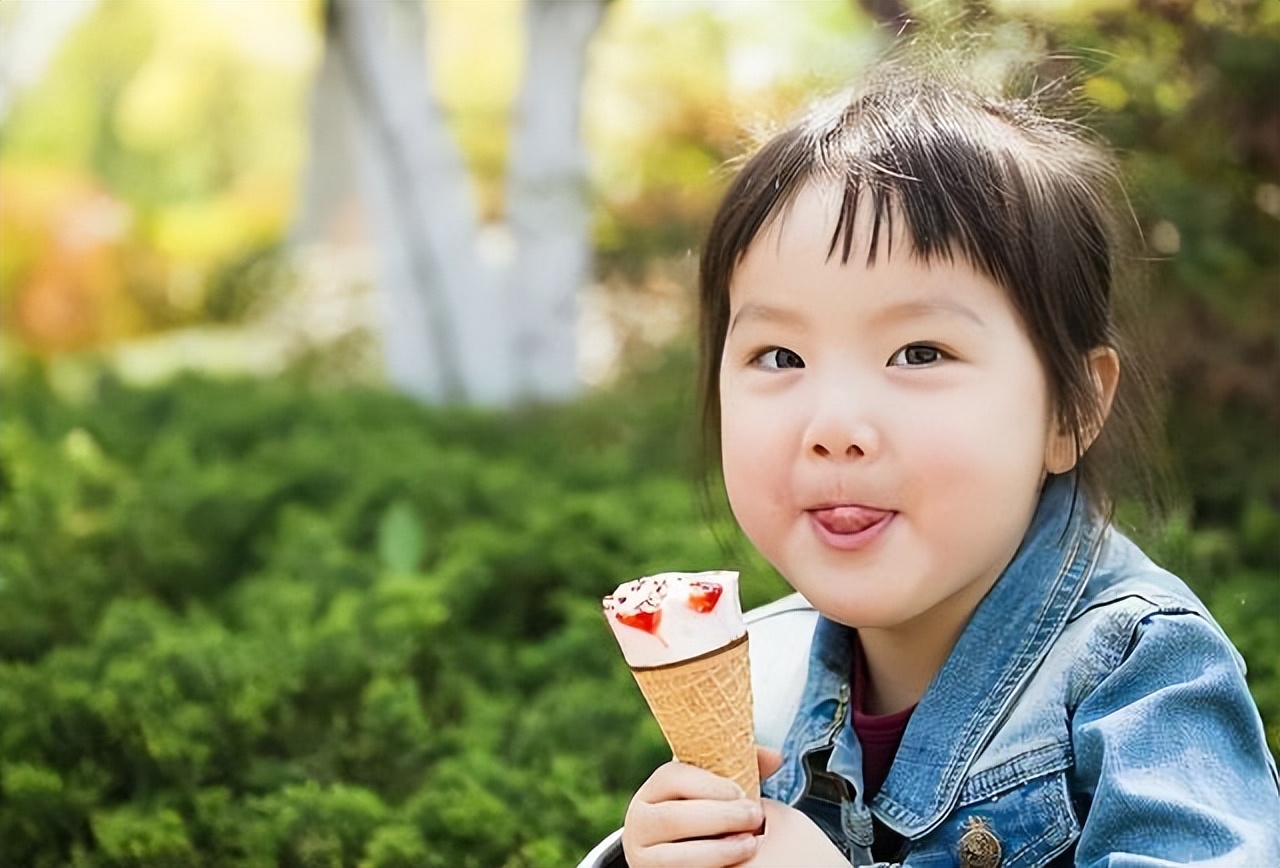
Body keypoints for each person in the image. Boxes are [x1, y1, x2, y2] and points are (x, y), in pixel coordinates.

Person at [619, 56, 1280, 867]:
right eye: (780, 355)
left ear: (1073, 407)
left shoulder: (1140, 677)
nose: (834, 427)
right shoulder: (764, 669)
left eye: (919, 351)